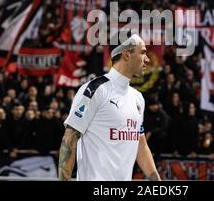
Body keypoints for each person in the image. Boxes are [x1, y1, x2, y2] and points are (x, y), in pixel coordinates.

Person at [58, 34, 160, 181]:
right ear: (126, 54)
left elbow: (141, 145)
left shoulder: (138, 98)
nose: (147, 59)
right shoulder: (95, 89)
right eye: (143, 52)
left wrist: (156, 180)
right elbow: (69, 139)